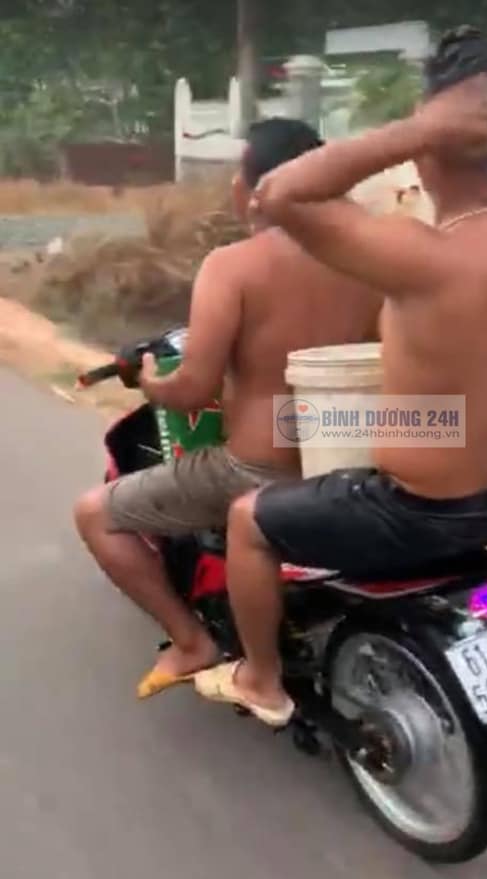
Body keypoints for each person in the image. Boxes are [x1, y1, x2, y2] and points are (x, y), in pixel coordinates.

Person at [194, 29, 487, 726]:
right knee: (327, 420)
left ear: (439, 139)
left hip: (422, 511)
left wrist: (418, 129)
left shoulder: (424, 256)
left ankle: (260, 679)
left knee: (248, 519)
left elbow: (278, 194)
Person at [74, 117, 382, 698]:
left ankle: (192, 643)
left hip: (261, 469)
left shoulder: (233, 265)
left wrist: (150, 383)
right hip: (359, 454)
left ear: (251, 188)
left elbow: (193, 390)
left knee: (95, 514)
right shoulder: (377, 253)